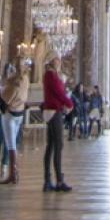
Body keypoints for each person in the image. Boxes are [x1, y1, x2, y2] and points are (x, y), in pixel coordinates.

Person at [0, 55, 33, 188]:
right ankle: (13, 172)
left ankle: (13, 173)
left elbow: (6, 98)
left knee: (10, 145)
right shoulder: (26, 79)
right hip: (20, 113)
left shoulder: (14, 81)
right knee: (12, 144)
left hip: (10, 114)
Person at [42, 55, 74, 193]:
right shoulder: (50, 75)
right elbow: (59, 93)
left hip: (52, 110)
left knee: (51, 146)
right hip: (54, 112)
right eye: (56, 59)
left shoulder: (53, 75)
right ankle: (58, 181)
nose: (59, 61)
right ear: (50, 61)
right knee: (58, 145)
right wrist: (70, 103)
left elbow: (59, 92)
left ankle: (48, 180)